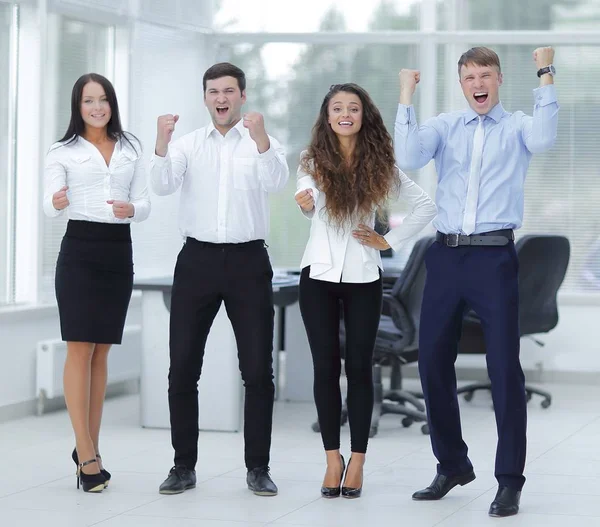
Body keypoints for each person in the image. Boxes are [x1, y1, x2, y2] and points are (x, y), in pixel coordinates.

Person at [395, 46, 559, 517]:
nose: (477, 83)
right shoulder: (445, 126)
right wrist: (407, 92)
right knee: (430, 363)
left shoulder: (519, 126)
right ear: (462, 84)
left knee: (504, 369)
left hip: (494, 259)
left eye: (484, 74)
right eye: (468, 77)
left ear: (499, 80)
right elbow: (407, 153)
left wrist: (546, 72)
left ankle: (509, 479)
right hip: (444, 257)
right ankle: (452, 466)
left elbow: (546, 139)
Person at [150, 62, 289, 497]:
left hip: (249, 262)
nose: (221, 98)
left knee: (258, 372)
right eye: (213, 91)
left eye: (229, 90)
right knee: (183, 370)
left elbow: (278, 181)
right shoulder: (188, 145)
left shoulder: (262, 143)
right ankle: (182, 466)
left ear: (242, 96)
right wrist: (161, 142)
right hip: (197, 262)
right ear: (206, 98)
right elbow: (161, 185)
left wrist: (262, 138)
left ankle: (258, 468)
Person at [295, 83, 436, 499]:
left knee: (357, 369)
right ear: (327, 116)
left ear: (363, 116)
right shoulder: (312, 159)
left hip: (362, 278)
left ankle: (357, 460)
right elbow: (310, 197)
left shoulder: (381, 165)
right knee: (325, 369)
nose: (344, 114)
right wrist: (306, 202)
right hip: (317, 275)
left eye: (352, 108)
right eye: (336, 107)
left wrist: (388, 241)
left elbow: (426, 206)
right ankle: (331, 458)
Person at [43, 73, 150, 493]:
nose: (97, 107)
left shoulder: (130, 147)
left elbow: (144, 205)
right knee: (79, 347)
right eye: (89, 101)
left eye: (103, 100)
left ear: (112, 104)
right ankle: (85, 452)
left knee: (102, 351)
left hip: (117, 252)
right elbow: (49, 207)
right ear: (78, 106)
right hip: (80, 252)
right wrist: (56, 201)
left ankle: (92, 447)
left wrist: (132, 210)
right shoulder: (62, 151)